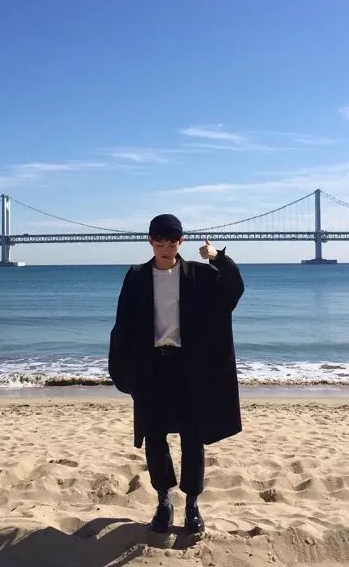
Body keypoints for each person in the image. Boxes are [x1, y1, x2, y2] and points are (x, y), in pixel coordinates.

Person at [109, 213, 244, 535]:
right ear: (150, 241)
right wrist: (121, 369)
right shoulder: (136, 276)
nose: (166, 249)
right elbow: (123, 324)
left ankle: (193, 504)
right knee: (154, 437)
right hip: (151, 368)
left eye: (172, 243)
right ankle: (163, 501)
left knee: (192, 438)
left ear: (180, 242)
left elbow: (233, 292)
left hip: (188, 367)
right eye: (160, 243)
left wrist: (219, 259)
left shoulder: (199, 274)